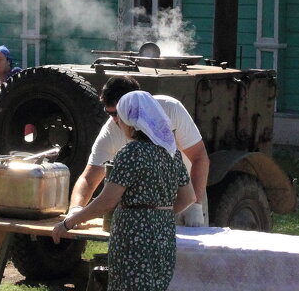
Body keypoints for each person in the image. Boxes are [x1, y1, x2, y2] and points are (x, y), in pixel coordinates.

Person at [51, 91, 195, 291]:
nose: (117, 122)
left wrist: (70, 221)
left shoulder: (131, 154)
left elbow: (107, 200)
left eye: (119, 116)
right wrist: (157, 211)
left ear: (132, 120)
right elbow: (188, 199)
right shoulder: (171, 152)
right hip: (161, 238)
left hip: (133, 241)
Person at [68, 76, 208, 228]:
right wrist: (75, 209)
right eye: (110, 114)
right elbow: (89, 179)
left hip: (188, 196)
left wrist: (195, 206)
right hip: (154, 211)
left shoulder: (171, 108)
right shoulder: (112, 133)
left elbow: (200, 158)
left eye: (118, 113)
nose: (116, 120)